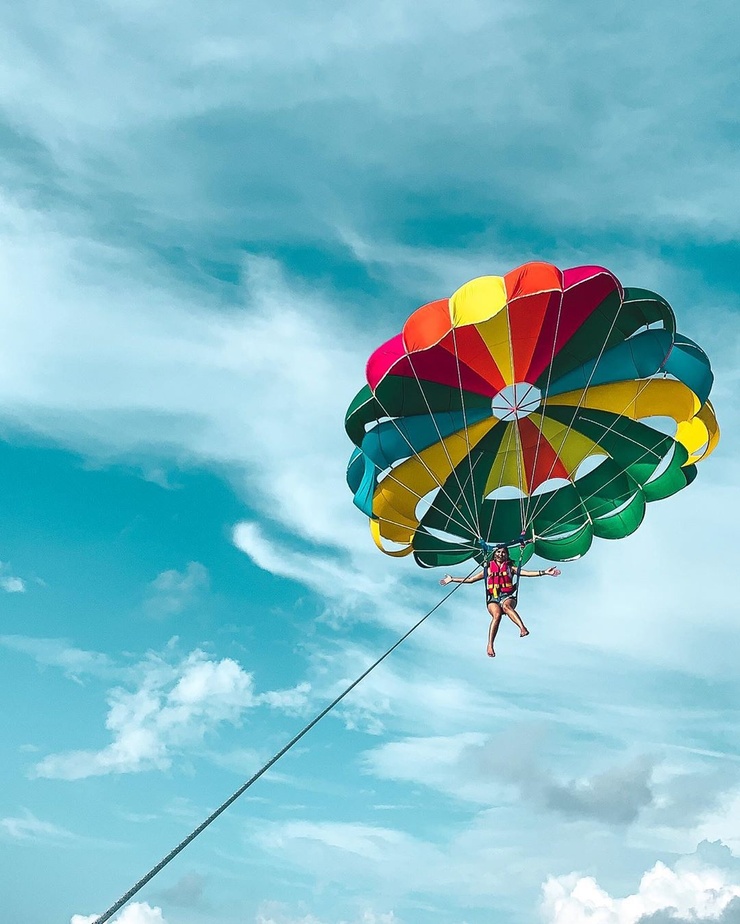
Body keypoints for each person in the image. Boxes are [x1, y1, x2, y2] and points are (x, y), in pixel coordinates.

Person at [440, 545, 560, 658]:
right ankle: (490, 644)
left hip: (508, 596)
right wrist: (452, 579)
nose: (501, 554)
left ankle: (522, 628)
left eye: (503, 552)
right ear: (494, 554)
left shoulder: (510, 568)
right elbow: (471, 579)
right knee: (497, 615)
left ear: (507, 555)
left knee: (507, 607)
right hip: (493, 598)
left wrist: (544, 572)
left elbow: (527, 573)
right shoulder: (488, 570)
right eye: (498, 552)